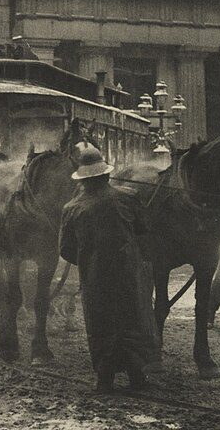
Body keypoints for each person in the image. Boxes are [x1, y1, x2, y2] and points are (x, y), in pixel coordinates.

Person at [59, 143, 158, 393]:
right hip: (128, 274)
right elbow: (145, 228)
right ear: (105, 174)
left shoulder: (71, 209)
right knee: (131, 321)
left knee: (101, 325)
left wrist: (88, 259)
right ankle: (137, 377)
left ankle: (105, 379)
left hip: (95, 279)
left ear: (82, 180)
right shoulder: (128, 197)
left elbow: (66, 250)